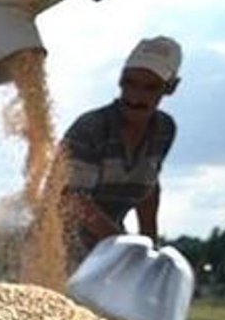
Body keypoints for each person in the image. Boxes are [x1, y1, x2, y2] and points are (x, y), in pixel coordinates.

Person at [59, 36, 182, 266]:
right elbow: (72, 199)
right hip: (58, 245)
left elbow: (149, 189)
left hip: (107, 248)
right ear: (120, 80)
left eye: (149, 88)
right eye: (130, 83)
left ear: (171, 87)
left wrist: (149, 251)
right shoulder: (91, 129)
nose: (135, 97)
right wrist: (124, 248)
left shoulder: (164, 130)